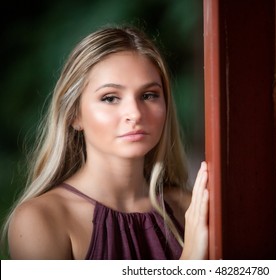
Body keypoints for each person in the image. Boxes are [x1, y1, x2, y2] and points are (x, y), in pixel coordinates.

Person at [1, 25, 209, 260]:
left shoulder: (190, 207)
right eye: (110, 98)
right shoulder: (40, 220)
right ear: (74, 115)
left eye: (149, 95)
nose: (135, 113)